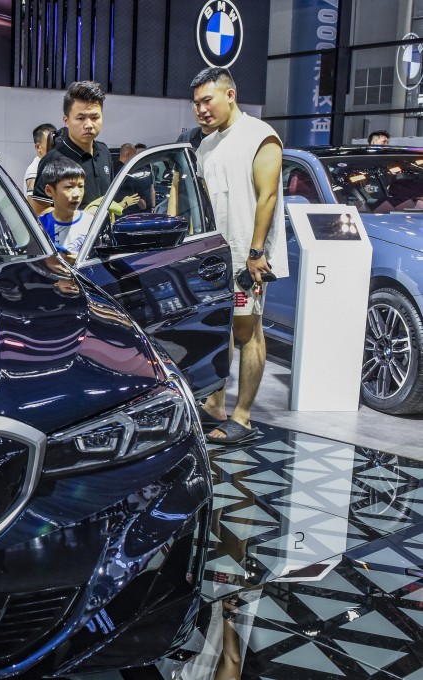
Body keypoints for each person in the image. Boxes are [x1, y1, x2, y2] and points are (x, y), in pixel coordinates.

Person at [190, 66, 288, 445]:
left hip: (248, 259)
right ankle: (216, 405)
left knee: (248, 332)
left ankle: (243, 417)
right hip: (215, 258)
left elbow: (269, 195)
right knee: (220, 331)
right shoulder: (206, 145)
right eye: (196, 104)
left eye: (207, 100)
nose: (200, 110)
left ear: (230, 94)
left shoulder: (260, 135)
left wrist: (255, 252)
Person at [30, 81, 114, 216]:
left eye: (94, 117)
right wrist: (82, 218)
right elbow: (39, 211)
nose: (88, 125)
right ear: (66, 121)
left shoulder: (104, 152)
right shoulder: (52, 159)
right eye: (80, 118)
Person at [36, 157, 90, 250]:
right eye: (69, 187)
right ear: (49, 190)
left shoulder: (92, 223)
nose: (77, 194)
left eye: (81, 186)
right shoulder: (39, 226)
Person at [24, 123, 57, 192]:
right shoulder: (34, 172)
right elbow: (33, 202)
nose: (54, 146)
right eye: (50, 142)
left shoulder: (48, 166)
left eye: (55, 142)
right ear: (38, 147)